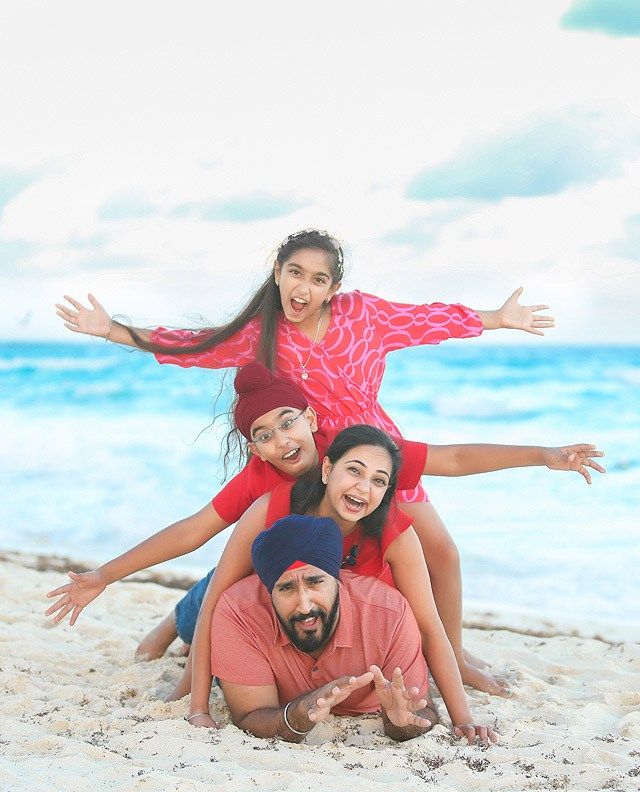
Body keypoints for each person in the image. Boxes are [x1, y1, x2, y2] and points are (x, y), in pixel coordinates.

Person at [55, 227, 556, 695]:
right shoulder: (261, 334)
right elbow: (193, 346)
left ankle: (456, 655)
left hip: (370, 459)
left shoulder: (363, 315)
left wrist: (496, 318)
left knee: (441, 553)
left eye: (318, 279)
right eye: (295, 273)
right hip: (306, 467)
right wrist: (112, 331)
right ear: (278, 272)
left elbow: (427, 320)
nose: (304, 287)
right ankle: (181, 620)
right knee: (260, 562)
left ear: (333, 287)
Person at [45, 364, 605, 701]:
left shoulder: (354, 454)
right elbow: (194, 530)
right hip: (266, 577)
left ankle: (456, 657)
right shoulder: (262, 481)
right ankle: (174, 621)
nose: (282, 440)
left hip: (320, 582)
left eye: (288, 422)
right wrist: (104, 575)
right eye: (264, 434)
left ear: (311, 420)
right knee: (223, 589)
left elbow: (453, 456)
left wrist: (543, 455)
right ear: (254, 446)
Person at [208, 514, 496, 745]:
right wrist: (299, 713)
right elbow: (249, 716)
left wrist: (400, 722)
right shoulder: (238, 612)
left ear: (337, 578)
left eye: (315, 582)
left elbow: (421, 714)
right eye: (286, 588)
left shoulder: (389, 614)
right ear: (268, 592)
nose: (305, 605)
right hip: (220, 612)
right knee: (193, 617)